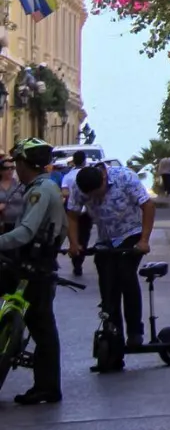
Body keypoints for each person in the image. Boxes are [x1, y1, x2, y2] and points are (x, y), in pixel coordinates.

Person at [0, 139, 66, 405]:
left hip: (36, 264)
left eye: (17, 162)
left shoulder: (42, 190)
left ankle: (48, 387)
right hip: (33, 261)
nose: (15, 167)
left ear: (25, 164)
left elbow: (26, 232)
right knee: (42, 326)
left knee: (42, 327)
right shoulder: (37, 188)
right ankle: (47, 386)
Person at [66, 161, 155, 347]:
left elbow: (147, 206)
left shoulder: (125, 177)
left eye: (97, 193)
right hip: (105, 238)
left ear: (104, 178)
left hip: (131, 233)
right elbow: (72, 214)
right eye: (90, 196)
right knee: (107, 284)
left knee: (125, 275)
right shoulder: (79, 185)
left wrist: (144, 240)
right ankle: (113, 332)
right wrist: (74, 243)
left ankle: (135, 331)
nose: (94, 198)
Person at [60, 153, 90, 277]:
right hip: (86, 210)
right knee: (84, 235)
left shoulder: (67, 176)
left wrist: (72, 195)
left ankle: (76, 259)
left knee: (73, 235)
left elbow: (64, 192)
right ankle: (79, 260)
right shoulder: (88, 174)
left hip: (71, 209)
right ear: (84, 161)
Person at [0, 154, 25, 232]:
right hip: (2, 225)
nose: (10, 170)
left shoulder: (20, 185)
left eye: (12, 168)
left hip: (18, 224)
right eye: (6, 168)